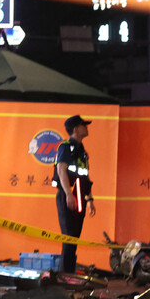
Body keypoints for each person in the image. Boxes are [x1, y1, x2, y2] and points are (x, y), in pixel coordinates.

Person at [53, 115, 96, 274]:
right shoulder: (65, 146)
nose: (87, 127)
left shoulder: (82, 151)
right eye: (84, 125)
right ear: (76, 129)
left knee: (74, 238)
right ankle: (65, 275)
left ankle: (69, 273)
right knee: (68, 237)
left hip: (80, 197)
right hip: (68, 196)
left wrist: (89, 199)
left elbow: (85, 176)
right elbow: (61, 170)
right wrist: (68, 195)